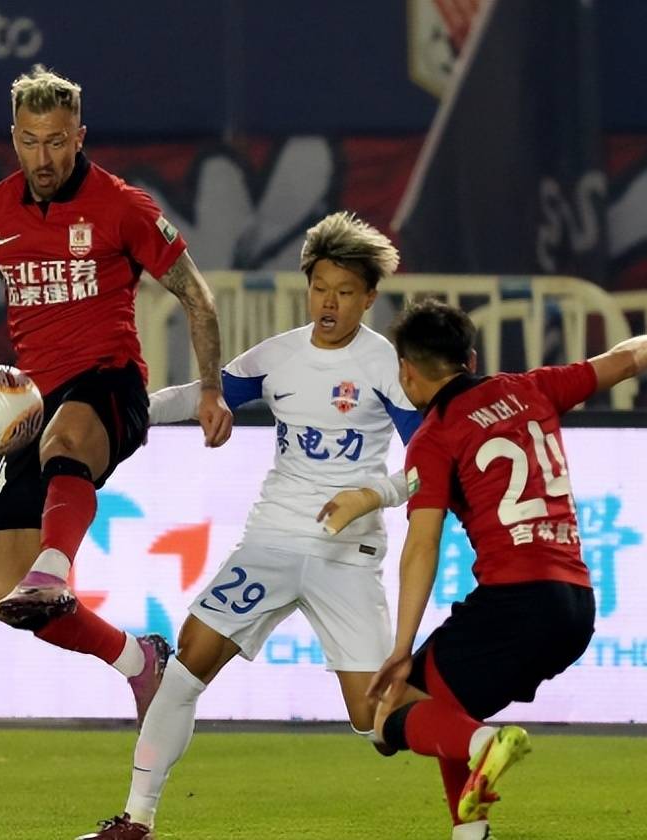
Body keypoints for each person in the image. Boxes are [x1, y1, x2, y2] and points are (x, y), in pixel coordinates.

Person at [0, 65, 233, 724]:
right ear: (14, 138)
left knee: (65, 444)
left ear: (79, 136)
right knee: (6, 596)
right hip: (33, 404)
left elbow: (195, 295)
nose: (44, 157)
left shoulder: (123, 206)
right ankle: (137, 661)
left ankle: (54, 565)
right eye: (30, 141)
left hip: (110, 385)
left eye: (57, 141)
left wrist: (211, 388)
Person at [77, 212, 425, 839]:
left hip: (346, 554)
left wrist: (374, 494)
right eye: (320, 288)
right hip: (271, 542)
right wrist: (120, 417)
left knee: (373, 720)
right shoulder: (280, 357)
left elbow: (429, 462)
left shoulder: (386, 367)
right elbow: (203, 395)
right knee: (186, 662)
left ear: (370, 297)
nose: (329, 303)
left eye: (345, 292)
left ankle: (468, 735)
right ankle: (137, 819)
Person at [365, 301, 647, 840]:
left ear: (406, 370)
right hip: (576, 607)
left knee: (391, 712)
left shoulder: (433, 436)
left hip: (515, 601)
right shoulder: (531, 387)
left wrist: (401, 648)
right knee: (446, 706)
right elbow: (624, 360)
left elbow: (422, 545)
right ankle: (470, 832)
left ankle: (484, 744)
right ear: (470, 359)